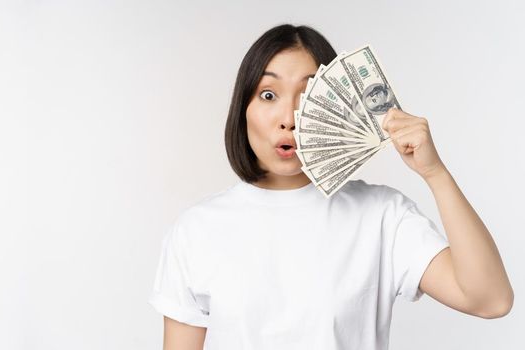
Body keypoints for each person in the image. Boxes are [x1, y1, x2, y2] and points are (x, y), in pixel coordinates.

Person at [147, 24, 513, 350]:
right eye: (268, 95)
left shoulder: (381, 216)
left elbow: (490, 299)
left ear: (336, 106)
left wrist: (436, 174)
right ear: (242, 109)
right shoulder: (196, 230)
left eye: (307, 97)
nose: (288, 119)